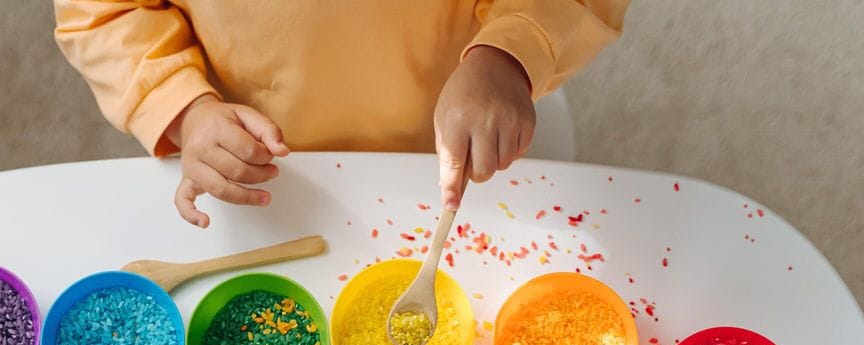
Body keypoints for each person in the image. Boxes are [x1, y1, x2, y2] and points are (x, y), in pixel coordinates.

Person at [54, 1, 628, 227]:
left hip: (481, 117)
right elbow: (106, 15)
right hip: (257, 155)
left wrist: (509, 53)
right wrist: (182, 107)